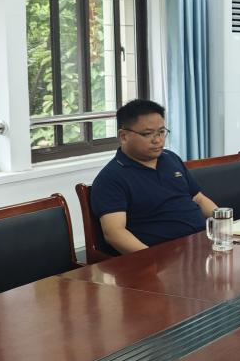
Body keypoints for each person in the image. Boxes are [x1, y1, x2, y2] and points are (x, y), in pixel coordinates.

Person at [90, 99, 218, 254]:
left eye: (161, 132)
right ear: (123, 136)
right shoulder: (111, 178)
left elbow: (199, 199)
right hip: (161, 256)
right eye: (148, 134)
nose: (158, 140)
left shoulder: (171, 158)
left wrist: (226, 226)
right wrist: (153, 260)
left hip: (201, 244)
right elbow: (115, 233)